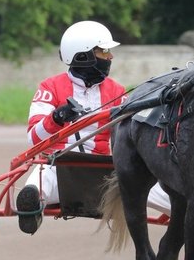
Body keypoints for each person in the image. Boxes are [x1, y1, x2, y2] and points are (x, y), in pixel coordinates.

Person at [16, 20, 170, 234]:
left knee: (153, 187)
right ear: (83, 55)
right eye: (104, 51)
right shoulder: (49, 87)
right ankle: (32, 209)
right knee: (39, 180)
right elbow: (34, 139)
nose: (110, 57)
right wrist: (57, 117)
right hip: (59, 169)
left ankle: (192, 209)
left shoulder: (117, 91)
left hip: (105, 174)